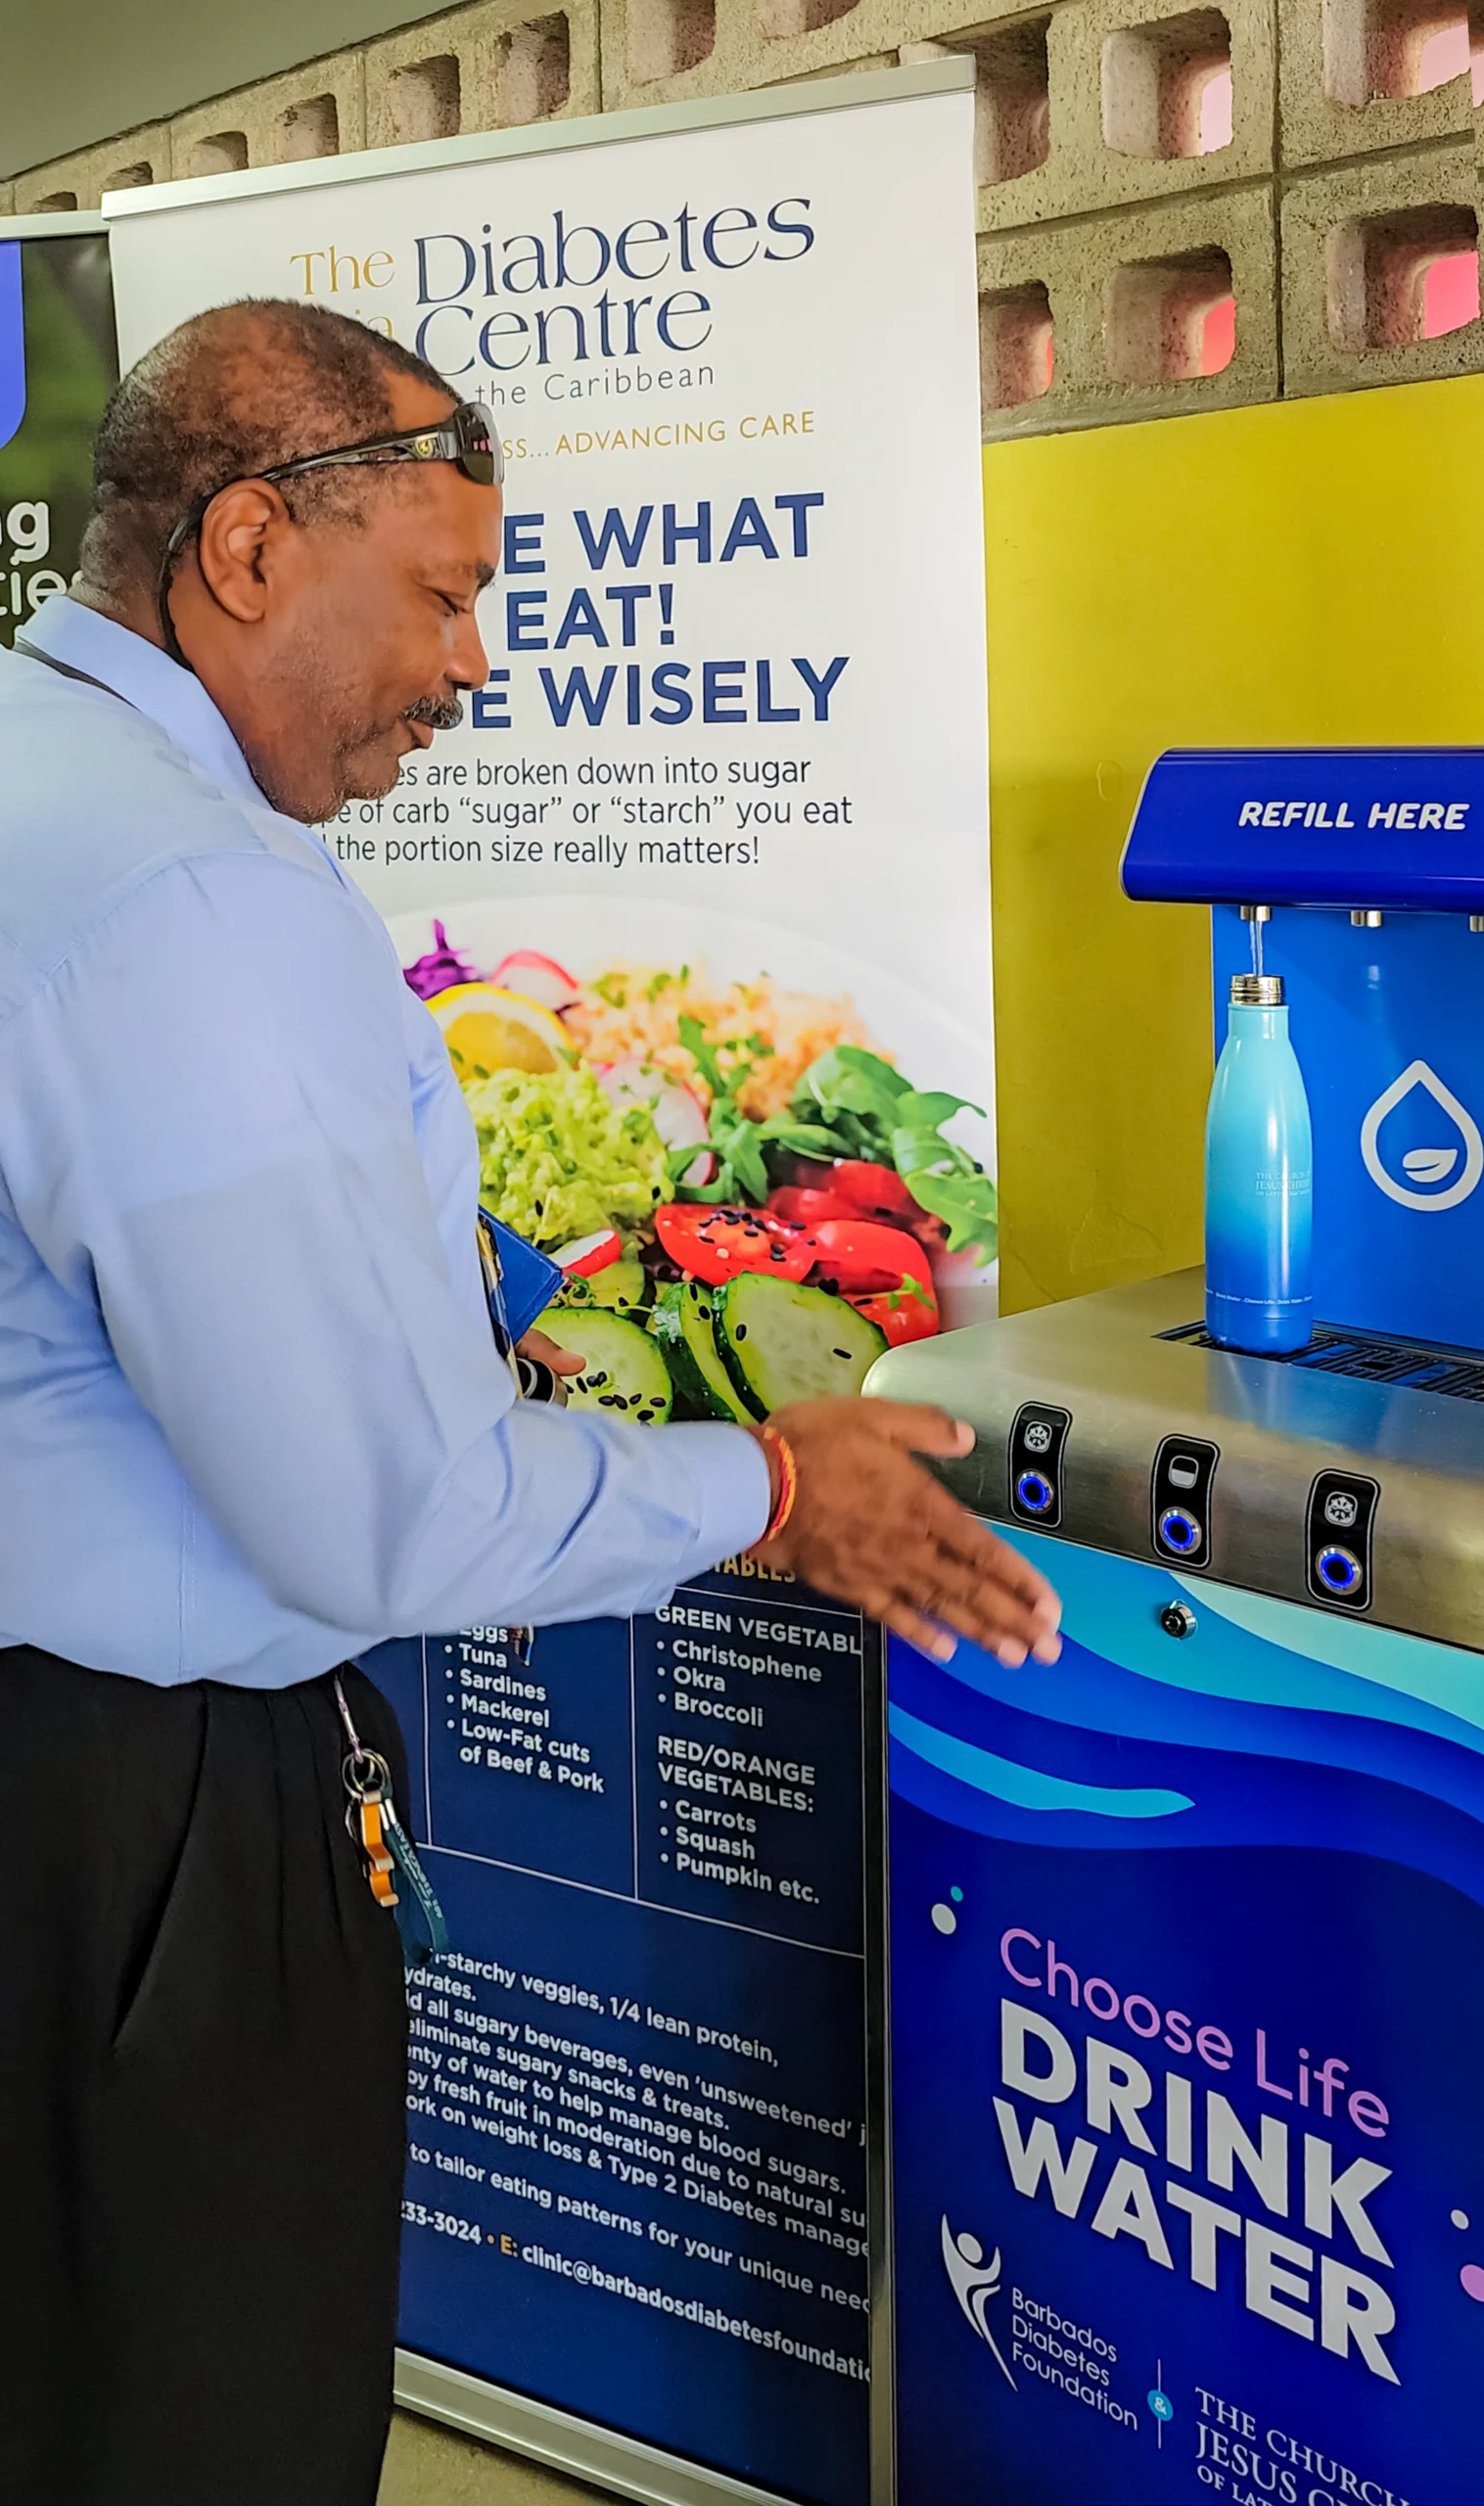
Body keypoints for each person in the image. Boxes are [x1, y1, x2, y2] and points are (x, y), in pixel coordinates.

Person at [0, 298, 1060, 2506]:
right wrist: (773, 1481)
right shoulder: (193, 894)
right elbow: (381, 1520)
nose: (474, 663)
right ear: (254, 550)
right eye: (450, 587)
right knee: (207, 2422)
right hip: (142, 1830)